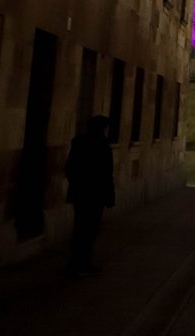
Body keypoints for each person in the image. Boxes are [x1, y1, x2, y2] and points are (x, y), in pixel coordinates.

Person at [64, 115, 115, 276]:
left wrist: (78, 184)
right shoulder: (102, 146)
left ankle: (76, 263)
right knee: (90, 230)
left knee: (80, 227)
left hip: (81, 193)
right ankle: (82, 263)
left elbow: (70, 169)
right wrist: (108, 195)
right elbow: (107, 174)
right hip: (95, 194)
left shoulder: (79, 143)